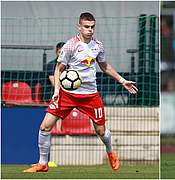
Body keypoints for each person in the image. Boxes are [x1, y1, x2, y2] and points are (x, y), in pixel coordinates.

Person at [23, 12, 138, 172]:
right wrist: (57, 90)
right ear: (79, 27)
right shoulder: (70, 46)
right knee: (44, 127)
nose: (90, 30)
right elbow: (59, 69)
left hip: (90, 96)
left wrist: (122, 80)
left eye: (92, 27)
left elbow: (104, 66)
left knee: (100, 131)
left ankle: (110, 152)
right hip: (67, 95)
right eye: (86, 27)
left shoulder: (98, 45)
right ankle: (43, 163)